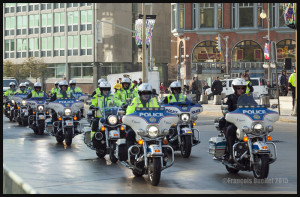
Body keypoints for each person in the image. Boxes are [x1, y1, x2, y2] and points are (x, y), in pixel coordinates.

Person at [126, 83, 160, 161]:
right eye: (144, 93)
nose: (146, 95)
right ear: (140, 94)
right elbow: (129, 112)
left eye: (148, 93)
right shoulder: (135, 100)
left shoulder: (153, 101)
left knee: (163, 135)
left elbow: (159, 110)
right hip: (138, 126)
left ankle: (164, 155)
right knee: (130, 134)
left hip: (151, 126)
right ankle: (131, 154)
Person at [223, 78, 247, 163]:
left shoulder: (248, 98)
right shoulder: (229, 98)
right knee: (231, 130)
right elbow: (226, 110)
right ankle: (231, 154)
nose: (241, 90)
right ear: (234, 88)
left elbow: (255, 107)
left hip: (247, 122)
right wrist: (227, 113)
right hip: (234, 122)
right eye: (238, 88)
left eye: (243, 88)